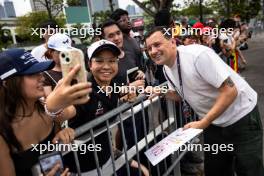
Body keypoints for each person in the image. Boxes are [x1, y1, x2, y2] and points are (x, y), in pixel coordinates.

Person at [145, 26, 263, 176]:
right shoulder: (166, 69)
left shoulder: (197, 55)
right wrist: (160, 91)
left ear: (173, 42)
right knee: (216, 170)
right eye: (149, 48)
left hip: (242, 117)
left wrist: (203, 123)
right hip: (213, 123)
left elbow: (230, 90)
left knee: (250, 170)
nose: (153, 51)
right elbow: (180, 94)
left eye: (157, 44)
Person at [0, 48, 92, 176]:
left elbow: (54, 146)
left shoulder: (45, 111)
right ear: (7, 83)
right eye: (32, 74)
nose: (41, 77)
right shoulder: (3, 133)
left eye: (39, 71)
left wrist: (63, 135)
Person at [63, 40, 149, 176]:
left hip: (107, 156)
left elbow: (116, 93)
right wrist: (55, 113)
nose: (106, 66)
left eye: (112, 61)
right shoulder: (84, 91)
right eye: (99, 61)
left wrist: (127, 95)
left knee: (143, 172)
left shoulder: (113, 84)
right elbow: (66, 112)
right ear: (89, 65)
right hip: (84, 167)